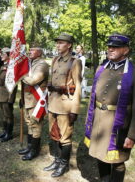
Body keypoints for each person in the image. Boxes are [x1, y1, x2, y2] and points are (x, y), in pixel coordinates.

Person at [84, 34, 135, 182]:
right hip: (99, 121)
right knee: (100, 155)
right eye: (109, 46)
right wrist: (89, 122)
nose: (110, 49)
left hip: (118, 125)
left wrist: (132, 135)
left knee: (118, 160)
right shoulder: (101, 68)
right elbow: (93, 99)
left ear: (125, 50)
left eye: (115, 47)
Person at [44, 33, 82, 177]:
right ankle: (57, 160)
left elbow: (77, 86)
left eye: (61, 43)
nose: (58, 45)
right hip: (53, 102)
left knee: (65, 137)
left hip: (65, 105)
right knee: (54, 134)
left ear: (69, 45)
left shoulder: (74, 62)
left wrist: (75, 110)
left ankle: (63, 165)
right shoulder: (55, 59)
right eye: (57, 43)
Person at [18, 46, 49, 160]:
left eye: (32, 50)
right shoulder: (30, 63)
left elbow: (32, 81)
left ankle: (34, 151)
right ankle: (30, 147)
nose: (29, 52)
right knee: (29, 123)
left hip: (36, 100)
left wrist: (20, 74)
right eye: (29, 50)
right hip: (28, 98)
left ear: (40, 52)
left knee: (35, 125)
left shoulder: (42, 65)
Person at [0, 47, 17, 142]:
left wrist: (11, 98)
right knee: (4, 114)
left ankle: (9, 133)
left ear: (9, 56)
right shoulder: (3, 65)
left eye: (3, 54)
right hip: (1, 93)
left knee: (8, 114)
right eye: (1, 54)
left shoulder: (11, 67)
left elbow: (13, 84)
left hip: (7, 94)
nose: (1, 56)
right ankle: (4, 131)